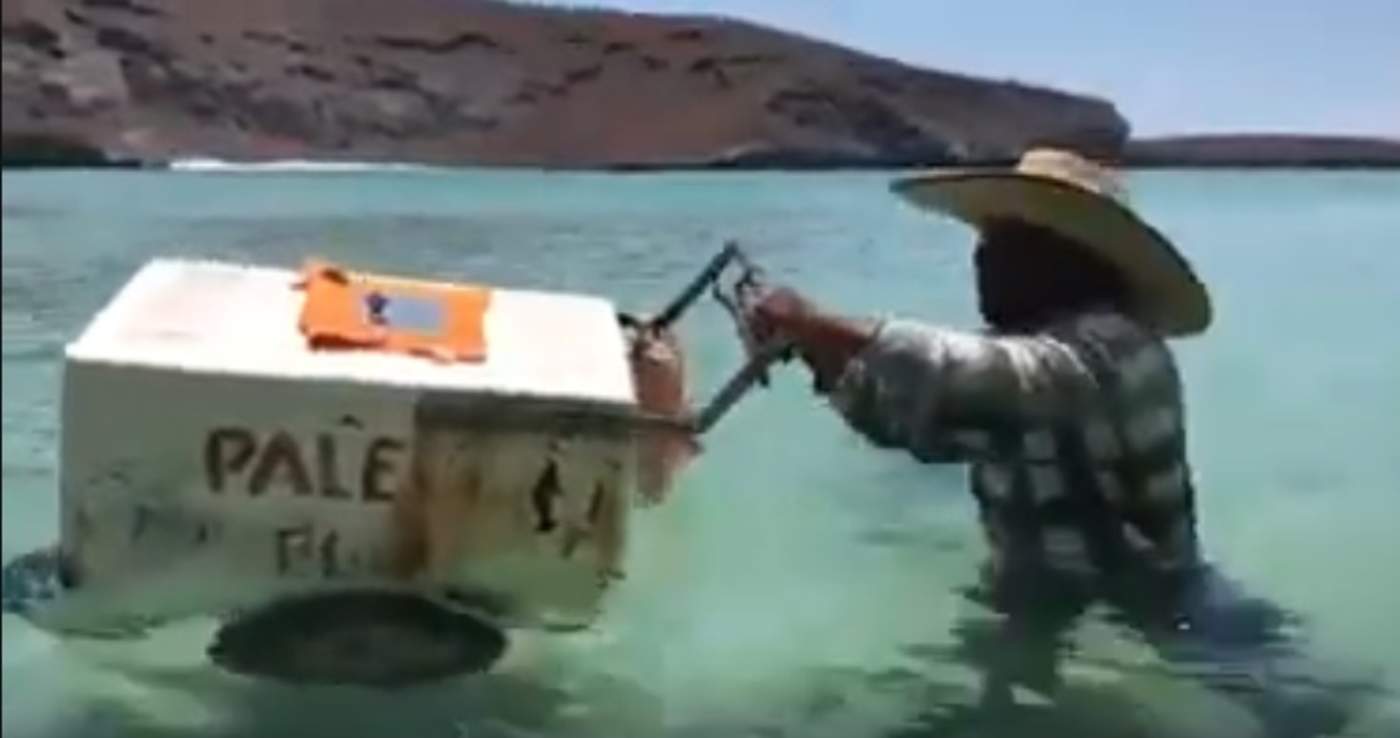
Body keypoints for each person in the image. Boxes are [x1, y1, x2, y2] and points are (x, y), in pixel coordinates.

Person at [746, 149, 1361, 735]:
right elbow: (916, 428)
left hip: (1158, 589)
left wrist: (819, 322)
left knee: (1308, 710)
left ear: (1064, 257)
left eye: (1005, 244)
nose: (982, 259)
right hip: (1036, 590)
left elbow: (987, 374)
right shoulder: (1027, 351)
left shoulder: (1115, 345)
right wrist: (821, 358)